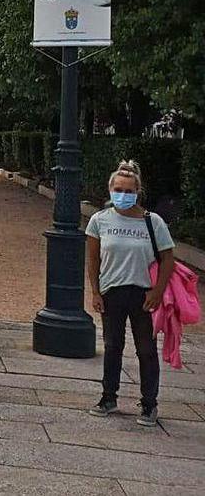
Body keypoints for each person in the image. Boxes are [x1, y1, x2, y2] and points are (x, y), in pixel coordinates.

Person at [86, 160, 175, 426]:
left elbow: (168, 258)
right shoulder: (99, 220)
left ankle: (149, 403)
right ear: (110, 189)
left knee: (146, 349)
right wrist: (95, 291)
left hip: (143, 294)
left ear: (138, 191)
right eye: (118, 189)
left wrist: (158, 292)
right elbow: (93, 260)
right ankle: (108, 396)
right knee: (113, 346)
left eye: (128, 190)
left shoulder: (153, 222)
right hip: (112, 291)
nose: (123, 195)